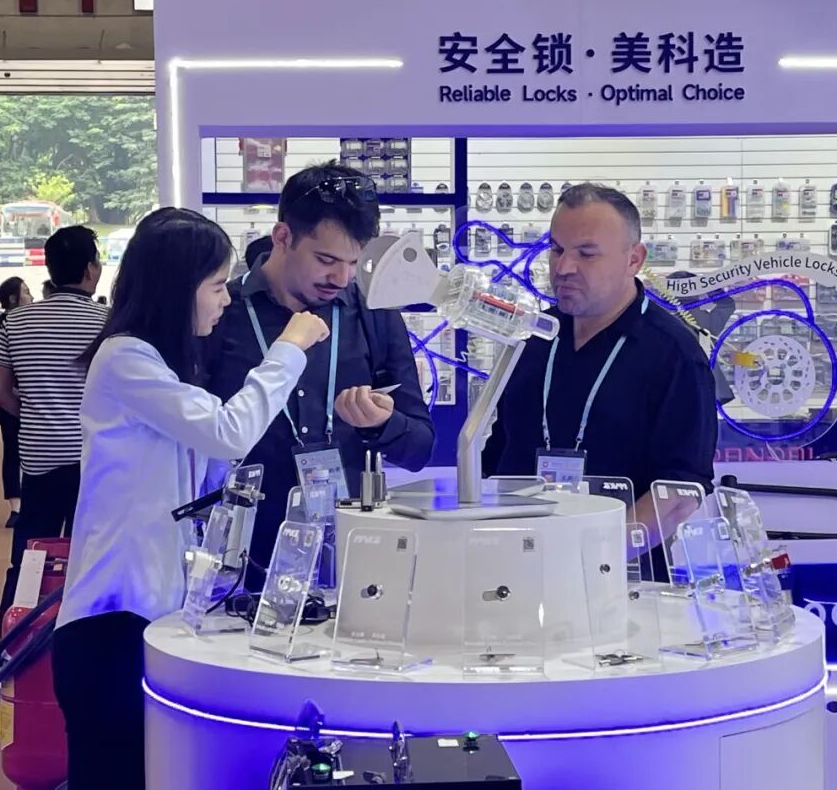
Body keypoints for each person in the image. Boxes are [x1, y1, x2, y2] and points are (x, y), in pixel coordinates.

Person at [53, 208, 329, 787]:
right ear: (177, 289)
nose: (226, 299)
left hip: (148, 620)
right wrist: (288, 349)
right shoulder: (125, 359)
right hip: (110, 627)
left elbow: (215, 455)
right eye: (215, 286)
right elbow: (227, 431)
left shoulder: (160, 366)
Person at [204, 162, 434, 577]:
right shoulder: (221, 314)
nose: (341, 277)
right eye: (326, 259)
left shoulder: (373, 315)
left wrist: (381, 424)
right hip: (240, 560)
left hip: (348, 558)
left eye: (353, 262)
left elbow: (420, 449)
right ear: (283, 237)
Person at [483, 184, 718, 569]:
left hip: (619, 577)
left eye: (586, 254)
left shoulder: (674, 355)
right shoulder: (533, 337)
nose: (563, 268)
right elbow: (499, 456)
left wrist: (590, 560)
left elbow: (679, 492)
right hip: (513, 569)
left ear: (634, 259)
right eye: (557, 249)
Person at [0, 227, 108, 624]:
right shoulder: (108, 322)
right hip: (93, 459)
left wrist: (35, 414)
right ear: (90, 269)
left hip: (39, 460)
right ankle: (75, 635)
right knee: (87, 555)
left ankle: (14, 640)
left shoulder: (15, 321)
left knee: (29, 553)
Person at [0, 277, 33, 527]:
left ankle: (25, 503)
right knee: (13, 449)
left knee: (23, 449)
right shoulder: (5, 323)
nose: (31, 297)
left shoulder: (28, 321)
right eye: (26, 292)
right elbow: (2, 362)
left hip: (24, 395)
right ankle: (16, 505)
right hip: (10, 395)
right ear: (13, 298)